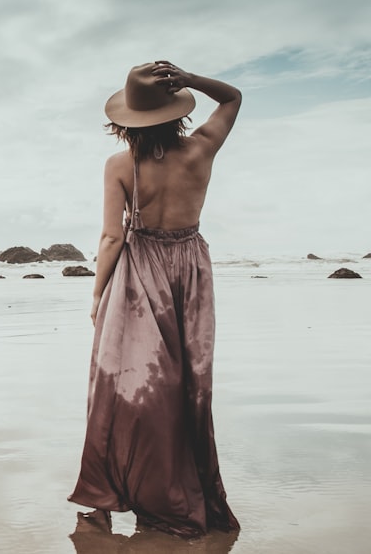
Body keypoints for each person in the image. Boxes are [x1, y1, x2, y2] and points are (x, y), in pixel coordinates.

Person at [68, 61, 242, 538]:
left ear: (126, 121)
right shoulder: (202, 148)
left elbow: (109, 238)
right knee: (189, 387)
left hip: (140, 273)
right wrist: (192, 79)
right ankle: (188, 491)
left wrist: (98, 292)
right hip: (191, 269)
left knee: (122, 387)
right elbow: (233, 98)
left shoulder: (121, 165)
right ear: (176, 109)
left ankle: (103, 498)